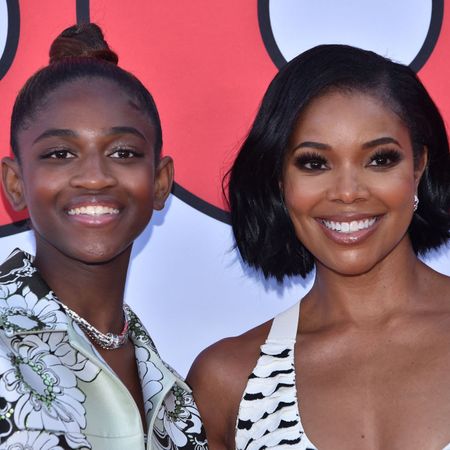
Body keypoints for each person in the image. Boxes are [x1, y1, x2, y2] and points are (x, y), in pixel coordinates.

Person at [187, 44, 450, 450]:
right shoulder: (227, 381)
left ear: (418, 168)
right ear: (279, 180)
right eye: (314, 163)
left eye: (380, 159)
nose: (347, 192)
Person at [0, 23, 207, 450]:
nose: (94, 178)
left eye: (123, 153)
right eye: (60, 154)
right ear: (15, 183)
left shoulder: (179, 399)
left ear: (161, 182)